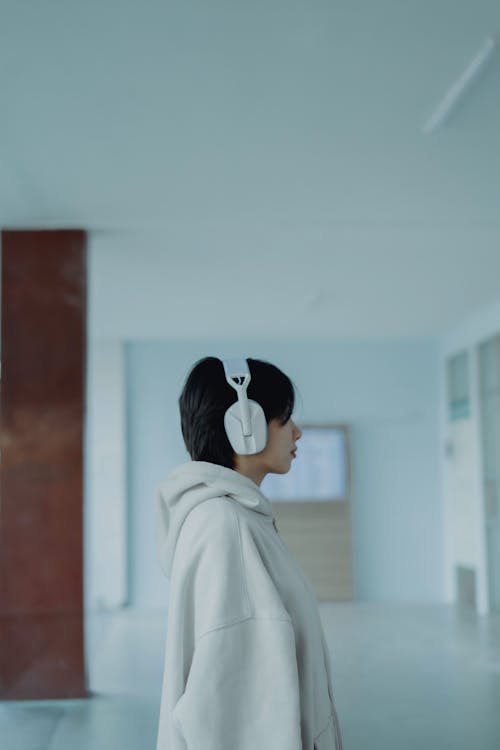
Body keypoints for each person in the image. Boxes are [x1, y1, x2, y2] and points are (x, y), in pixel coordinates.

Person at [155, 356, 343, 750]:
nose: (298, 432)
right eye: (285, 418)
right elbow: (247, 721)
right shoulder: (227, 527)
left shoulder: (230, 516)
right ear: (246, 426)